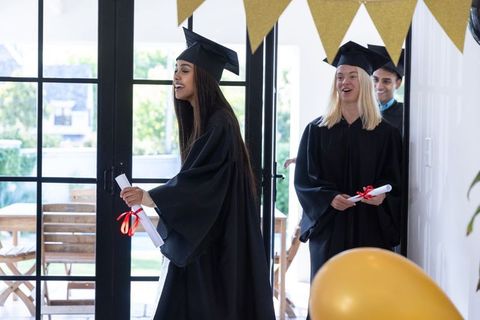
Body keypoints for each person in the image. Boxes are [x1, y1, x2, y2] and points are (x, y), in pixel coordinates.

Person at [120, 28, 275, 320]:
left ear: (203, 77)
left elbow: (203, 185)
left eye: (185, 70)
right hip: (205, 236)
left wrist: (150, 196)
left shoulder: (220, 124)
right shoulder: (205, 122)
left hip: (214, 241)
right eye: (175, 70)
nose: (176, 76)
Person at [294, 41, 402, 295]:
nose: (344, 82)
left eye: (352, 76)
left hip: (370, 229)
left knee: (366, 297)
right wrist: (329, 198)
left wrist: (382, 196)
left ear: (364, 82)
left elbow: (395, 182)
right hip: (330, 230)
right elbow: (304, 181)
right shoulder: (317, 130)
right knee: (328, 296)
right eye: (340, 76)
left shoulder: (385, 134)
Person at [368, 44, 405, 133]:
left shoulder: (405, 114)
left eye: (386, 81)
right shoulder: (362, 110)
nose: (379, 86)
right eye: (375, 80)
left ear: (398, 83)